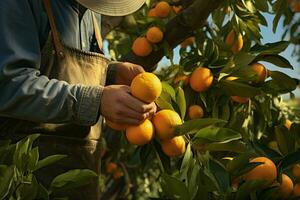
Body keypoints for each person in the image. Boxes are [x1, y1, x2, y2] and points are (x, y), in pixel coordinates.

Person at [0, 0, 156, 199]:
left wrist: (109, 74)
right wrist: (94, 100)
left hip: (80, 182)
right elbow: (9, 84)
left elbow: (65, 74)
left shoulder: (93, 10)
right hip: (24, 181)